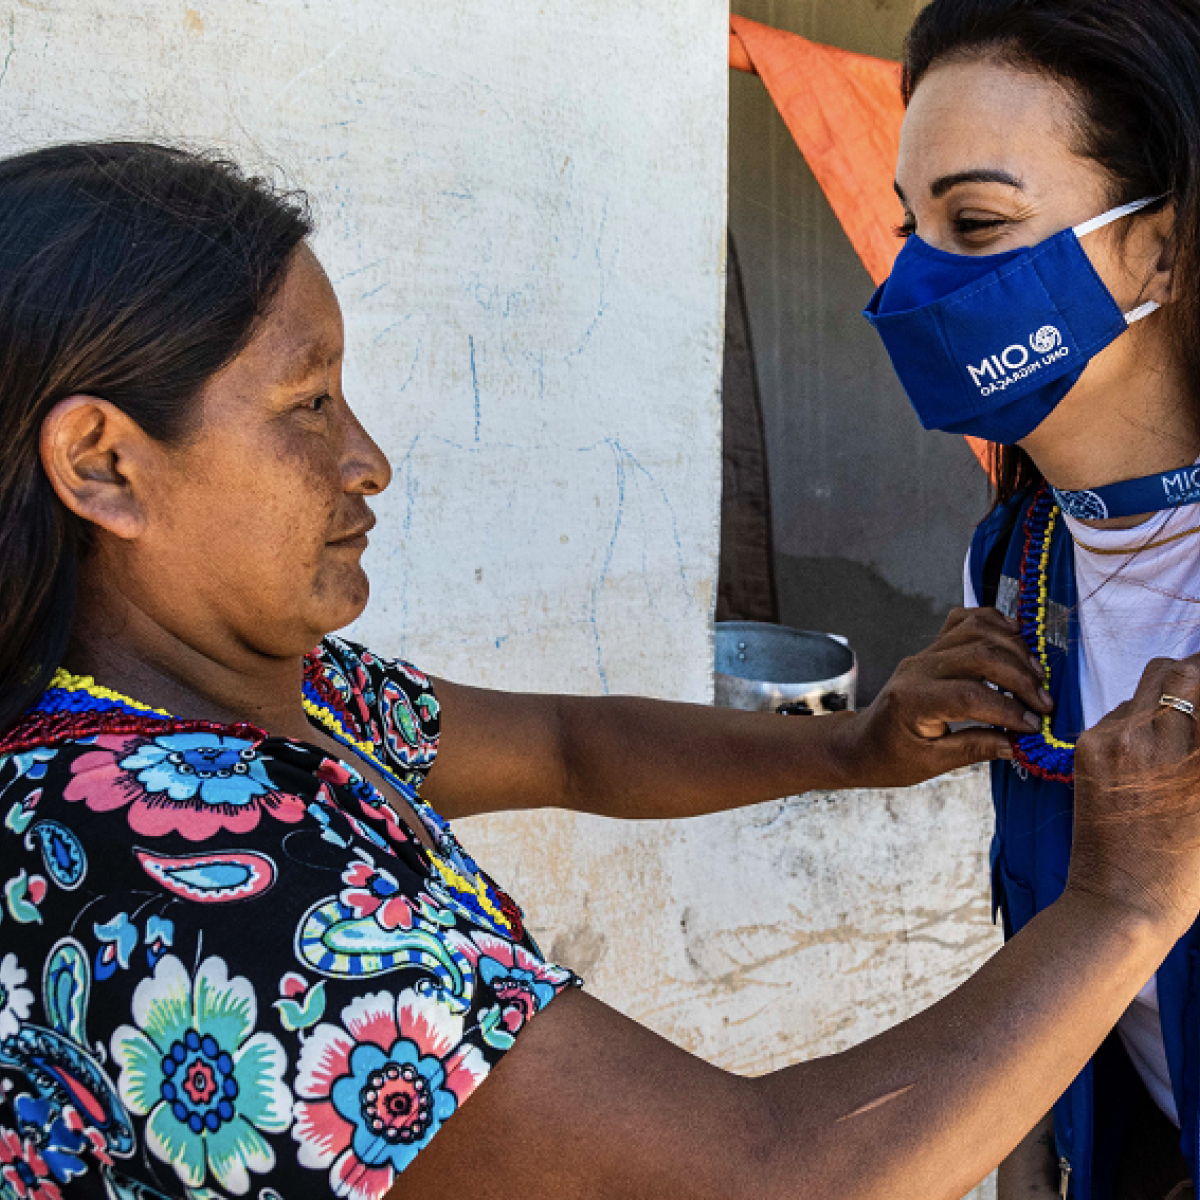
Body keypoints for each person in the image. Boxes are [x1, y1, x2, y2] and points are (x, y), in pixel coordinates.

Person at [0, 142, 1195, 1200]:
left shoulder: (278, 697)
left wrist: (853, 746)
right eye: (307, 405)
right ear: (103, 464)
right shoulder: (186, 880)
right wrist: (1121, 903)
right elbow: (773, 1180)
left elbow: (573, 747)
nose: (367, 460)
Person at [864, 1, 1200, 1196]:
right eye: (913, 226)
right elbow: (1037, 908)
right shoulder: (1015, 566)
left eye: (980, 223)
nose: (914, 281)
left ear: (1156, 249)